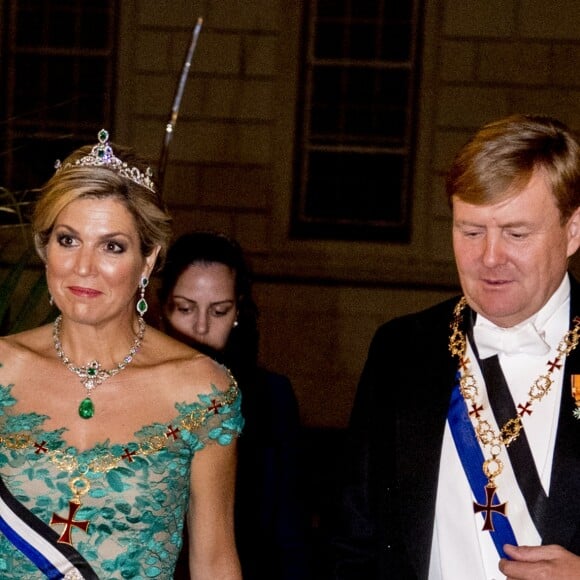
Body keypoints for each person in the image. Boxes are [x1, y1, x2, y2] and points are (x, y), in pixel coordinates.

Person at [330, 114, 580, 579]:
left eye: (516, 233)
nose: (489, 258)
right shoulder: (401, 351)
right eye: (470, 231)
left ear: (573, 230)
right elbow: (354, 540)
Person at [0, 130, 243, 579]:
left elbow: (213, 561)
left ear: (148, 260)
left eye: (112, 246)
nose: (83, 267)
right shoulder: (3, 370)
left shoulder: (202, 392)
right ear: (45, 247)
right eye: (68, 240)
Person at [157, 231, 310, 579]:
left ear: (238, 311)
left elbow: (290, 532)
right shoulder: (129, 388)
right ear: (161, 307)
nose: (200, 327)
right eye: (185, 308)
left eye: (219, 311)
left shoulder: (270, 396)